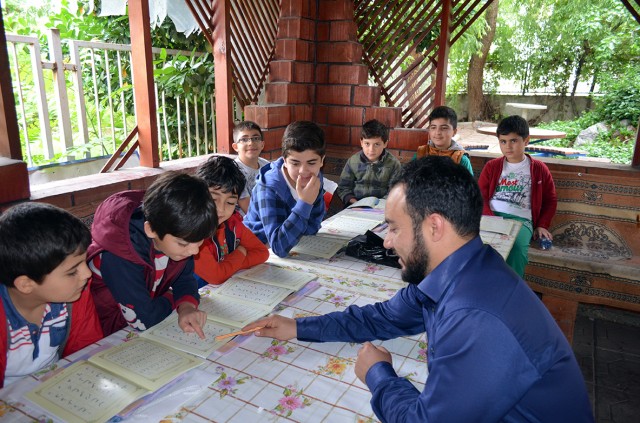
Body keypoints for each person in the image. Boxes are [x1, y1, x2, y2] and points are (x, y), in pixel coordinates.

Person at [243, 156, 593, 422]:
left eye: (394, 228)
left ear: (435, 227)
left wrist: (378, 375)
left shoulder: (478, 317)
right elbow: (381, 318)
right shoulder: (459, 269)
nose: (388, 242)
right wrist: (299, 327)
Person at [88, 172, 217, 337]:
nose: (194, 251)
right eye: (184, 244)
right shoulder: (119, 257)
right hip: (103, 332)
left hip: (134, 322)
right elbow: (144, 319)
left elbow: (184, 279)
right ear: (151, 230)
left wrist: (186, 306)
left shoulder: (178, 236)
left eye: (200, 241)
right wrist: (171, 296)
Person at [0, 203, 103, 388]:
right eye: (72, 271)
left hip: (56, 387)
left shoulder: (73, 296)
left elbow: (87, 351)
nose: (87, 274)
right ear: (26, 284)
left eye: (84, 263)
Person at [478, 115, 557, 277]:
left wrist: (542, 224)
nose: (508, 147)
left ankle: (511, 292)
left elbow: (550, 200)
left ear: (526, 141)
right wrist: (490, 218)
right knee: (478, 247)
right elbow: (481, 196)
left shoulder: (539, 169)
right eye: (503, 141)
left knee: (515, 248)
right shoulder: (492, 167)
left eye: (513, 141)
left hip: (521, 221)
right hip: (492, 217)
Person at [244, 121, 326, 258]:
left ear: (322, 161)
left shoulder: (315, 177)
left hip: (292, 248)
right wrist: (304, 204)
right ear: (285, 161)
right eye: (295, 163)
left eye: (311, 163)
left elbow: (313, 227)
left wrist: (291, 234)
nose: (303, 171)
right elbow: (279, 247)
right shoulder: (268, 188)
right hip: (253, 253)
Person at [194, 155, 269, 287]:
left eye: (230, 202)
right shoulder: (192, 232)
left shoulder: (232, 224)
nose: (221, 209)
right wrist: (240, 252)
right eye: (213, 199)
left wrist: (227, 266)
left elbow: (262, 253)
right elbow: (216, 276)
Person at [335, 119, 402, 206]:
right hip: (355, 206)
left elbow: (395, 191)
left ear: (385, 144)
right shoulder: (353, 161)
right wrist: (355, 203)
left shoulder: (393, 164)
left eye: (377, 144)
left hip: (382, 207)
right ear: (361, 142)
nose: (371, 150)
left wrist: (379, 205)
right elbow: (343, 188)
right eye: (367, 144)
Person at [416, 105, 473, 175]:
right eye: (433, 127)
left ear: (454, 132)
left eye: (444, 128)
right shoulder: (421, 153)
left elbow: (469, 185)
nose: (437, 132)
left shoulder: (460, 159)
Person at [232, 121, 270, 215]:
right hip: (246, 223)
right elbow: (249, 210)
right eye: (244, 140)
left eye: (256, 138)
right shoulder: (234, 170)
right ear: (235, 147)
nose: (251, 143)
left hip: (267, 213)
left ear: (262, 144)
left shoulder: (267, 166)